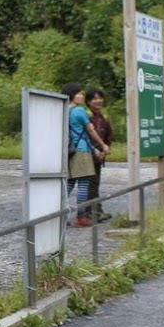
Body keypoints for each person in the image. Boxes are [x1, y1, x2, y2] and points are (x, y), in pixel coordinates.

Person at [62, 83, 108, 227]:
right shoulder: (79, 111)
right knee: (83, 184)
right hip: (81, 152)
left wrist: (94, 150)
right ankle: (81, 216)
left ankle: (58, 215)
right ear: (72, 95)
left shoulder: (63, 111)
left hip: (71, 151)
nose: (82, 96)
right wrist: (103, 145)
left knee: (69, 184)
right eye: (79, 94)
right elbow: (90, 131)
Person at [85, 88, 115, 222]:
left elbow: (108, 137)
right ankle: (90, 212)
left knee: (94, 183)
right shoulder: (86, 116)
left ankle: (96, 211)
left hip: (99, 157)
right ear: (88, 102)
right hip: (86, 155)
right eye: (94, 99)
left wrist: (103, 152)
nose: (98, 101)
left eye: (99, 98)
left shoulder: (103, 119)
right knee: (89, 184)